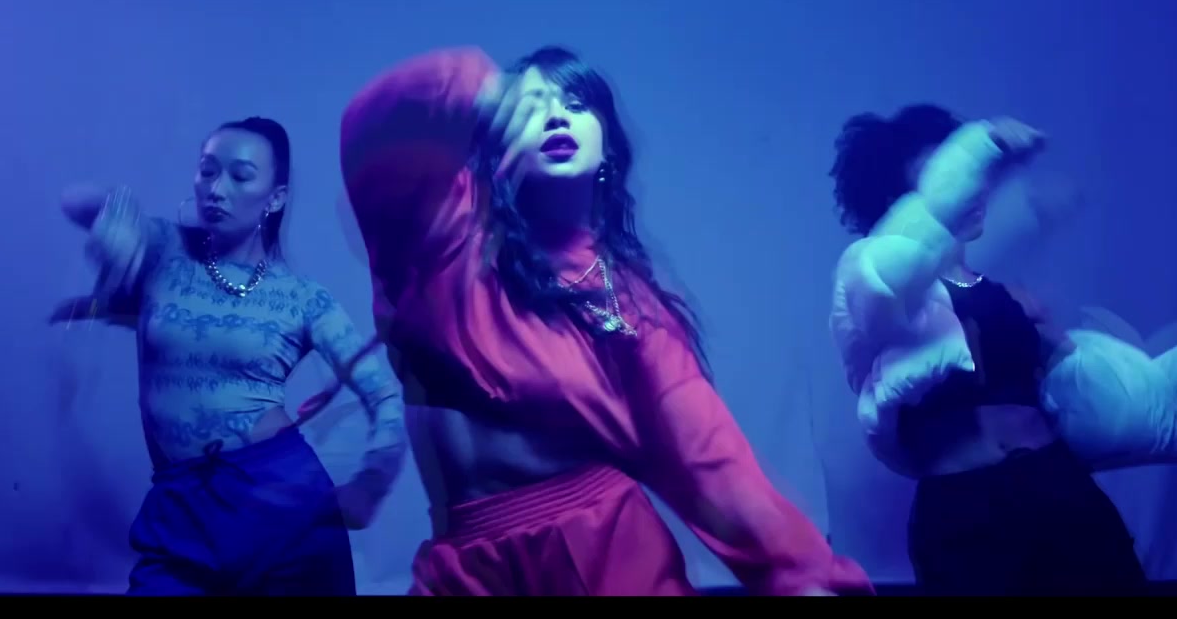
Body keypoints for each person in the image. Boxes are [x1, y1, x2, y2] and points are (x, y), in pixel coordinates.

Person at [338, 46, 872, 596]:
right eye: (537, 102)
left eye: (577, 104)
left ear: (609, 150)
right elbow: (370, 134)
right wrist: (478, 89)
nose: (556, 116)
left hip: (603, 554)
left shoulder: (631, 303)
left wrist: (802, 575)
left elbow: (707, 456)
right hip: (464, 567)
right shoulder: (443, 238)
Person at [53, 116, 406, 595]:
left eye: (240, 176)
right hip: (181, 506)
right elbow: (74, 201)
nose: (216, 189)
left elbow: (384, 397)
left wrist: (371, 483)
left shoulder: (303, 298)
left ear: (275, 198)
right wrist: (121, 208)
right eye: (207, 171)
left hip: (283, 504)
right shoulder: (162, 249)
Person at [827, 105, 1148, 595]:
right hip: (967, 515)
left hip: (1059, 490)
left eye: (977, 178)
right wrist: (987, 144)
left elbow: (1063, 391)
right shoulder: (877, 291)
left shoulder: (1004, 295)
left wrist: (1052, 344)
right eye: (954, 177)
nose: (976, 191)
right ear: (903, 200)